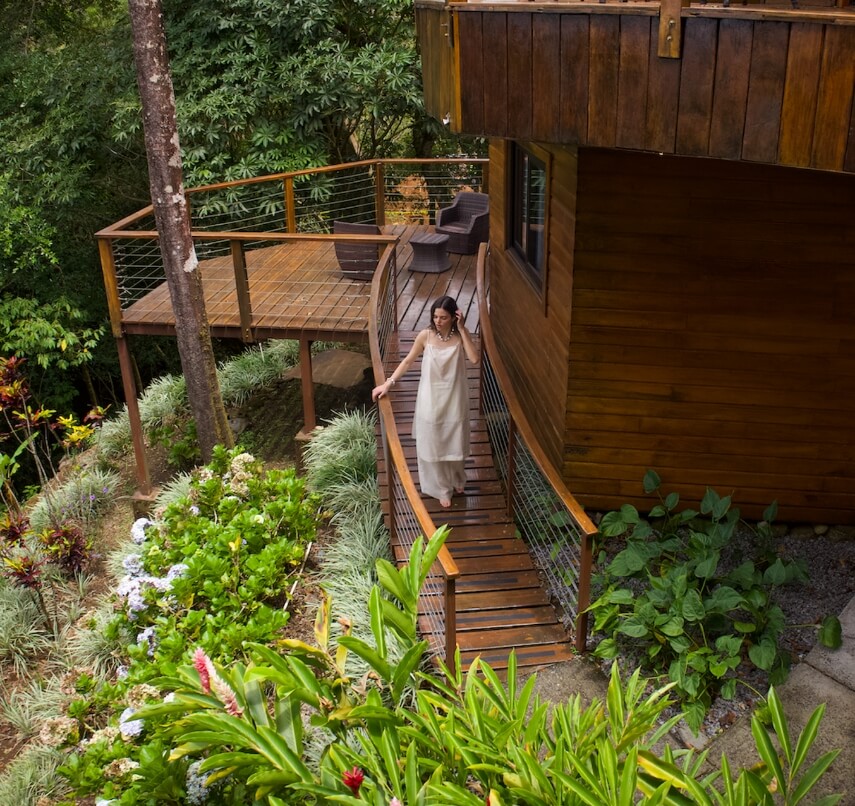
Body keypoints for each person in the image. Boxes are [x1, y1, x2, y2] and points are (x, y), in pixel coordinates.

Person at [372, 295, 479, 508]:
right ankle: (441, 488)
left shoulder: (460, 336)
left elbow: (474, 358)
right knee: (433, 441)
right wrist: (388, 384)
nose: (438, 321)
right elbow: (407, 361)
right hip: (430, 397)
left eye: (443, 317)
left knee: (455, 439)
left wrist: (463, 328)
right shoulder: (425, 336)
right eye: (435, 316)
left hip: (455, 396)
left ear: (454, 317)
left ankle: (458, 479)